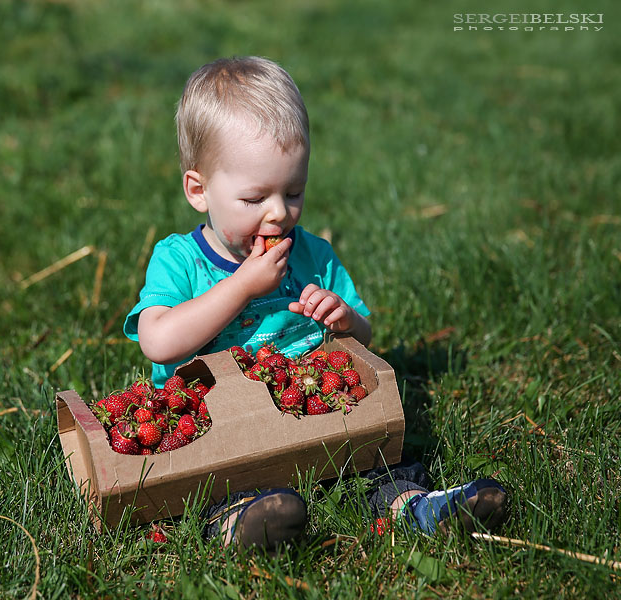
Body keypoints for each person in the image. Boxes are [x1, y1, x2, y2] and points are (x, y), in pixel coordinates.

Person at [124, 56, 507, 550]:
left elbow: (364, 338)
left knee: (376, 457)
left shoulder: (312, 255)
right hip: (218, 419)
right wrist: (241, 286)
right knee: (222, 470)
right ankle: (243, 521)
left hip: (315, 409)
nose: (279, 213)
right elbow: (158, 341)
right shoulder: (178, 261)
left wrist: (344, 319)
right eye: (254, 198)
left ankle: (415, 505)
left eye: (294, 191)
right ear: (199, 190)